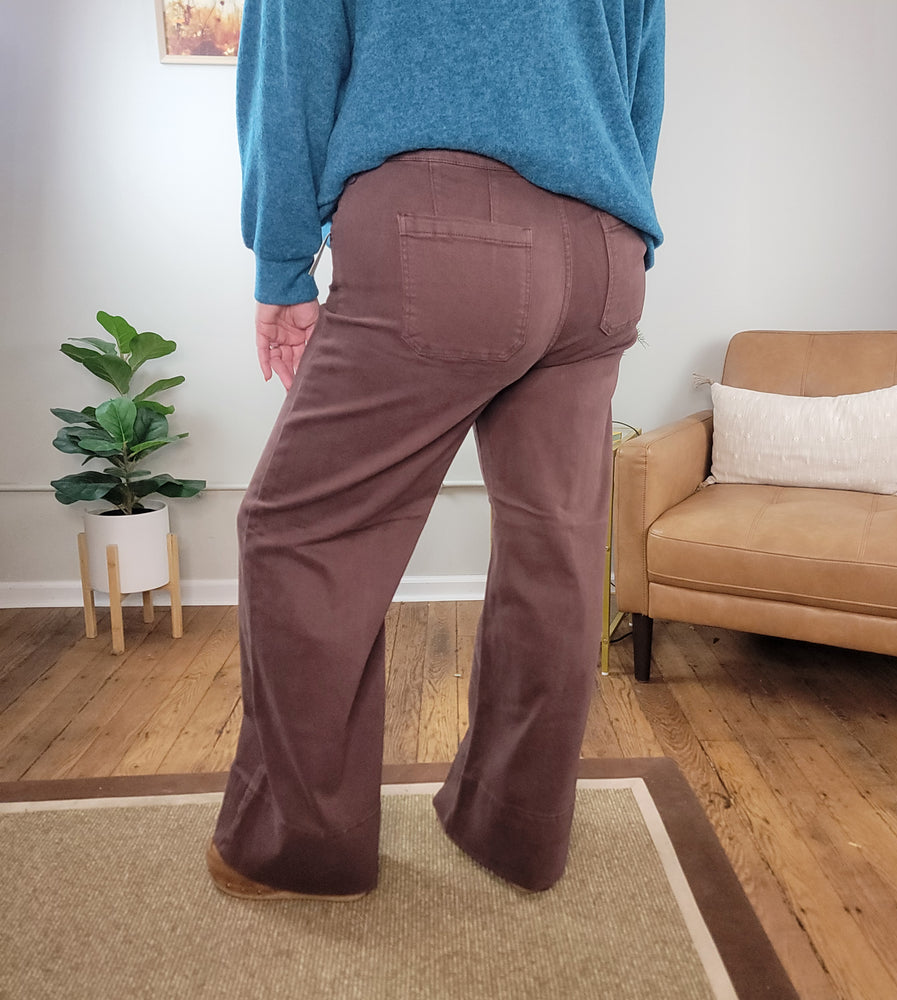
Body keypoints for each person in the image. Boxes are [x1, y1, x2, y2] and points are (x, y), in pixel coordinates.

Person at [208, 0, 665, 899]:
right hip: (608, 249)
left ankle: (298, 848)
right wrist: (608, 217)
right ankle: (516, 831)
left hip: (447, 228)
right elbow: (639, 78)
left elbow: (293, 58)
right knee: (559, 553)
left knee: (298, 531)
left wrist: (282, 265)